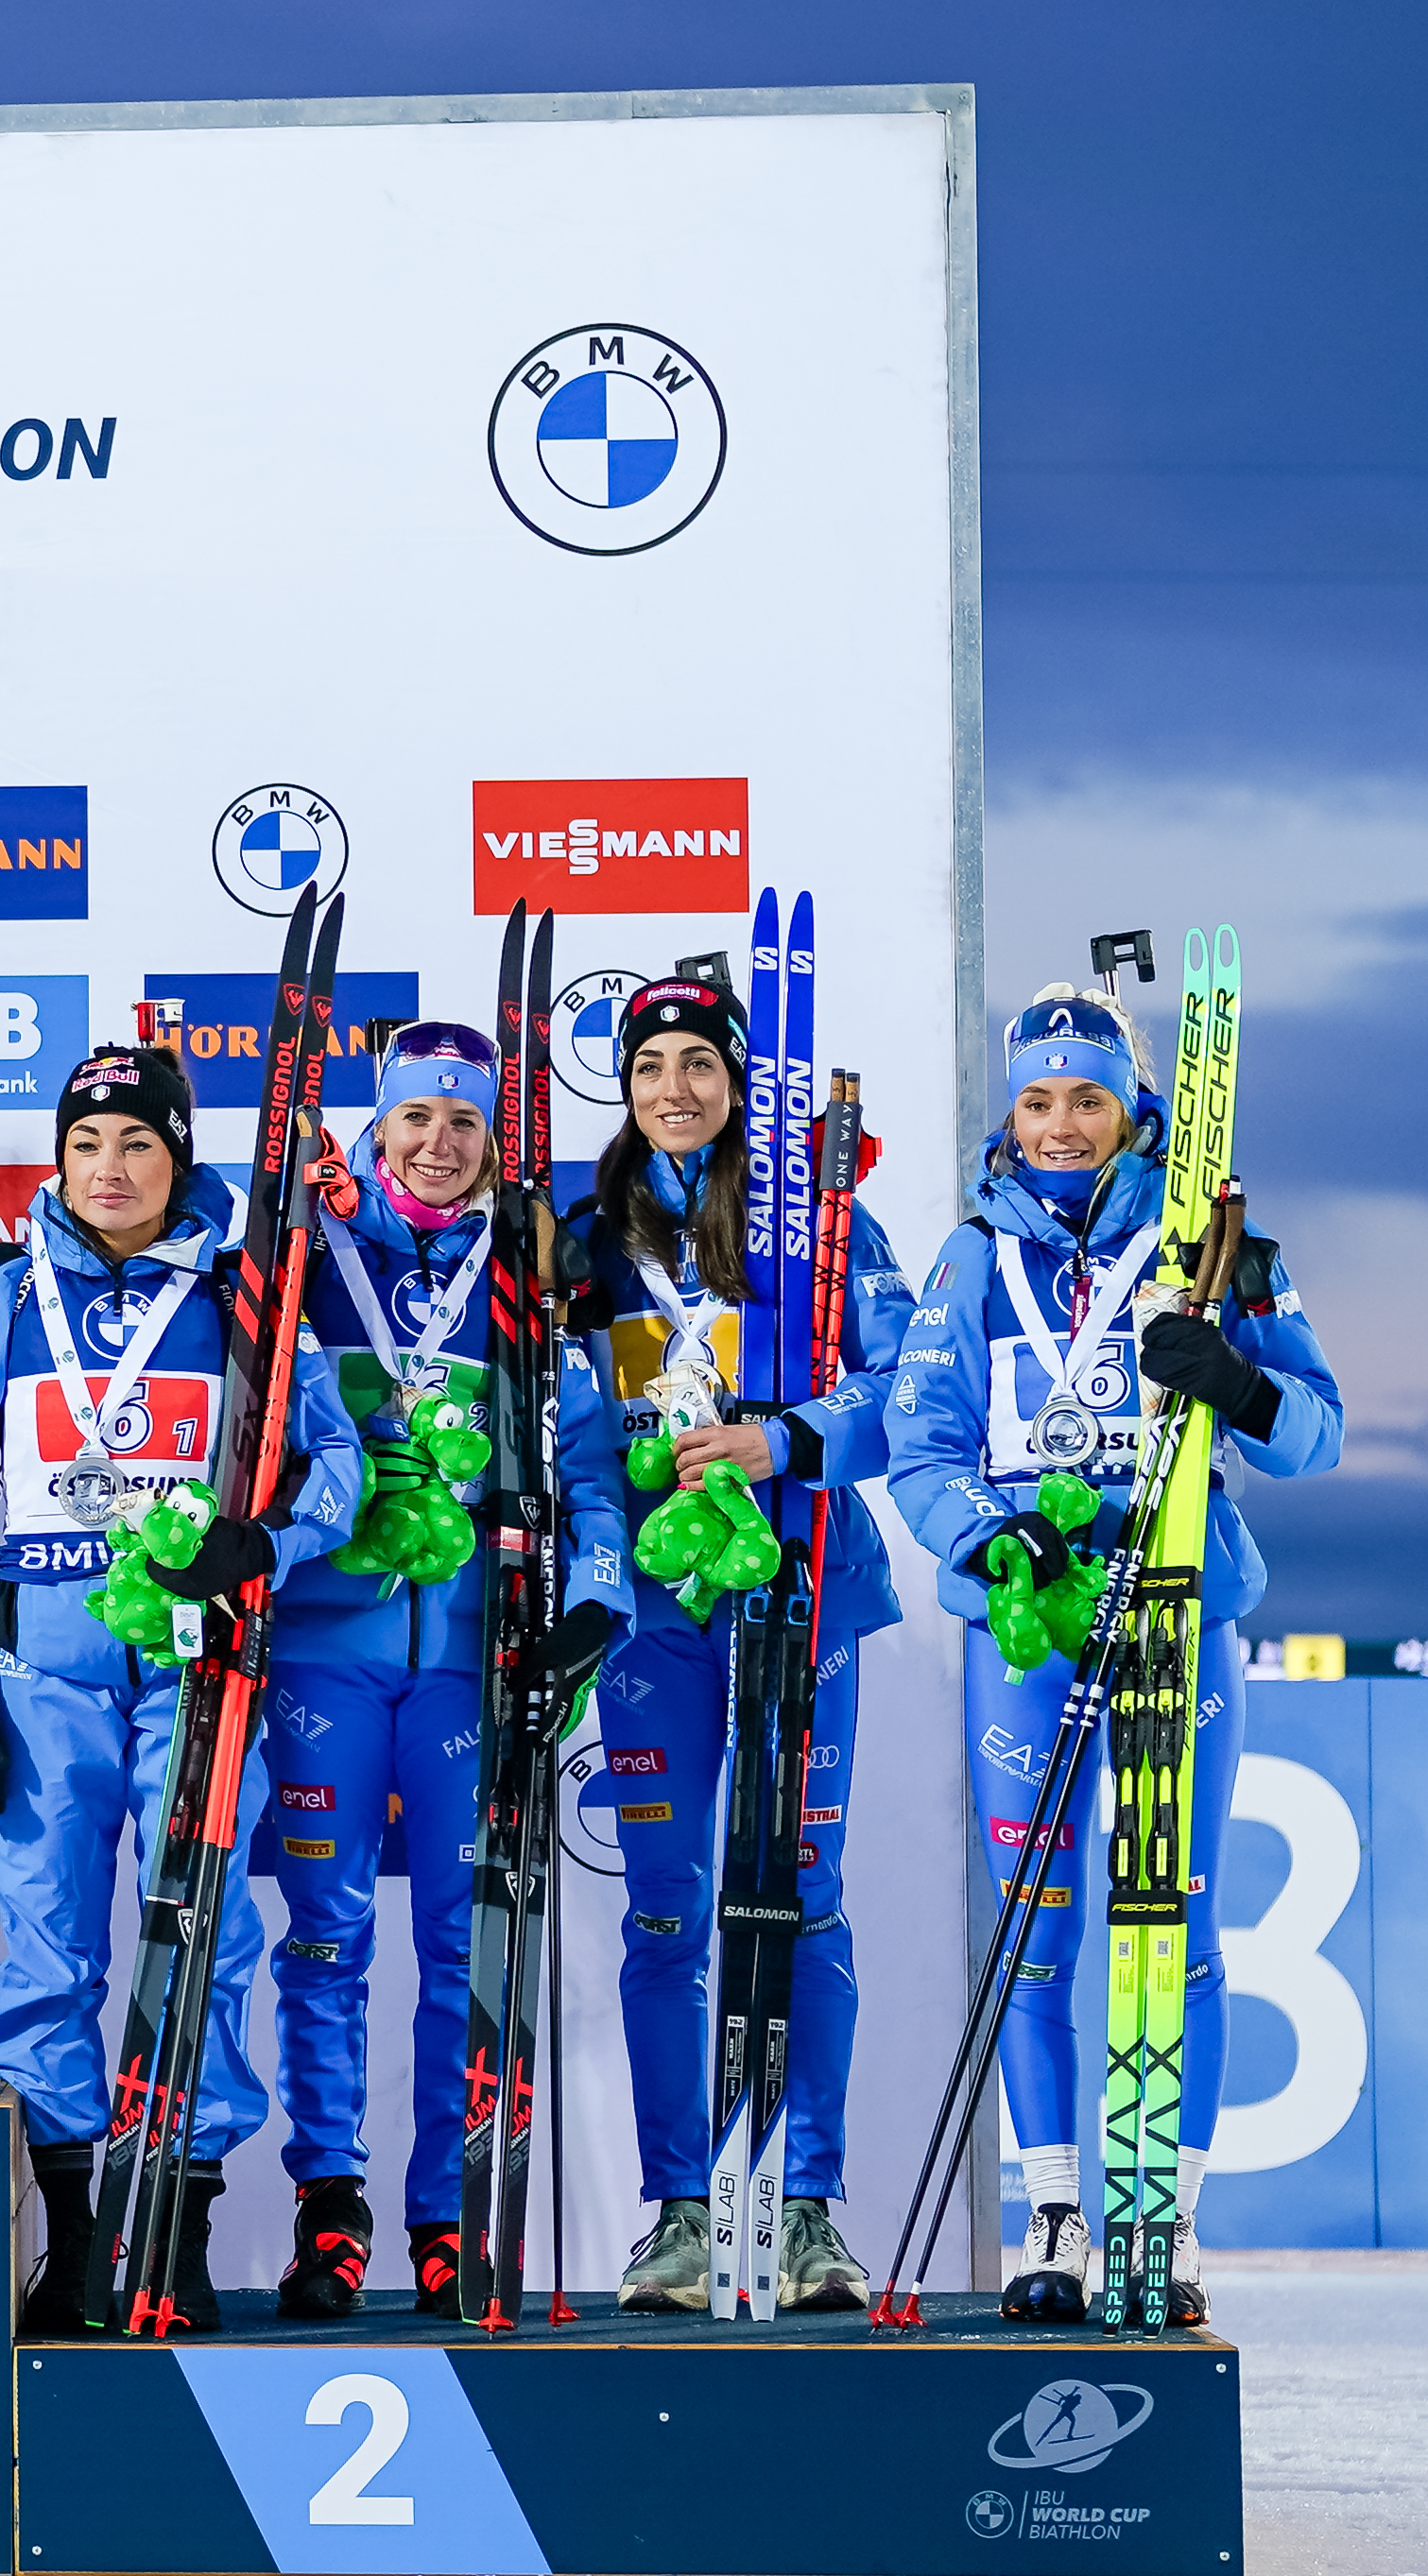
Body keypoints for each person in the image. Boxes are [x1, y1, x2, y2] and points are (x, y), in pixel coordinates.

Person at [888, 980, 1340, 2327]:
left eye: (1088, 1096)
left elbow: (1313, 1430)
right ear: (1009, 1116)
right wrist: (991, 1544)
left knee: (1174, 1927)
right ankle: (1052, 2213)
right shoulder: (971, 1257)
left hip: (1176, 1609)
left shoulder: (1215, 1245)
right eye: (1037, 1099)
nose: (1063, 1123)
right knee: (1032, 1931)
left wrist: (1237, 1380)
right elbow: (918, 1450)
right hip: (1028, 1626)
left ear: (1134, 1107)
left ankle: (1165, 2216)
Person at [0, 1041, 365, 2330]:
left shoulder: (249, 1286)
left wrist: (260, 1542)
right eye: (85, 1145)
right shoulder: (5, 1285)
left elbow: (333, 1463)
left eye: (137, 1145)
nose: (108, 1171)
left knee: (199, 1936)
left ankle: (170, 2231)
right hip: (43, 1662)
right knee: (47, 1943)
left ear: (178, 1156)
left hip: (196, 1663)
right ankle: (70, 2242)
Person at [260, 1021, 629, 2317]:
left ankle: (444, 2201)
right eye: (415, 1118)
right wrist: (274, 1216)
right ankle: (330, 2200)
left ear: (489, 1142)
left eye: (461, 1124)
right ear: (380, 1122)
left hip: (471, 1657)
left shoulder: (524, 1274)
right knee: (324, 1938)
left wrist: (587, 1610)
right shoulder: (311, 1247)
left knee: (463, 1941)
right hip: (324, 1646)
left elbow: (583, 1470)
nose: (436, 1143)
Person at [559, 970, 913, 2312]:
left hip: (801, 1592)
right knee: (664, 1911)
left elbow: (902, 1393)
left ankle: (804, 2202)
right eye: (648, 1066)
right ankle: (680, 2208)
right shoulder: (588, 1237)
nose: (671, 1089)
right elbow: (565, 1419)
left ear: (738, 1078)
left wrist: (785, 1437)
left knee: (796, 1890)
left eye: (697, 1063)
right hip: (657, 1612)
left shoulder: (818, 1220)